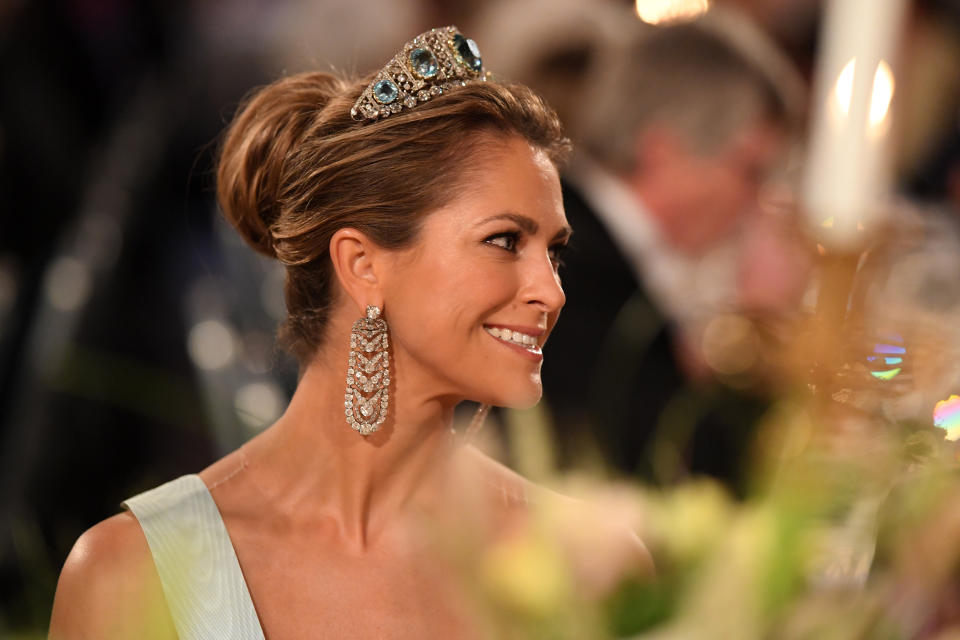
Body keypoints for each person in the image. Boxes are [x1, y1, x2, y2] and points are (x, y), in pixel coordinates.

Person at [47, 26, 651, 639]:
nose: (551, 291)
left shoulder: (591, 566)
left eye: (555, 253)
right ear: (362, 265)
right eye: (504, 241)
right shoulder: (131, 571)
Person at [525, 9, 808, 487]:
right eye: (750, 171)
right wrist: (763, 326)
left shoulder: (586, 235)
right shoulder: (574, 264)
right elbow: (689, 472)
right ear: (664, 150)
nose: (756, 203)